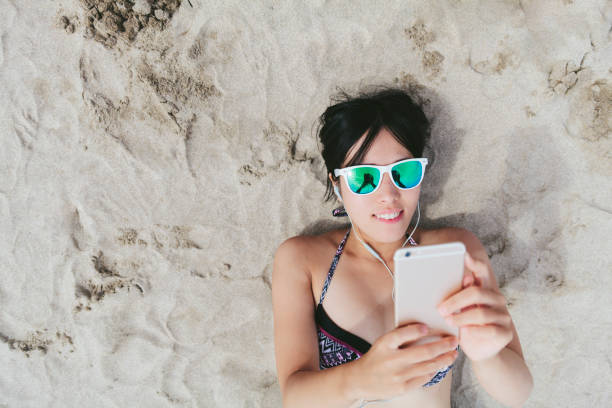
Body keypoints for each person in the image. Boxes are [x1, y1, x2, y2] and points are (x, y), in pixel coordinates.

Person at [272, 88, 533, 407]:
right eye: (364, 178)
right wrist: (359, 379)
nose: (388, 195)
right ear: (337, 183)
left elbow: (518, 392)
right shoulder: (303, 260)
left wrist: (488, 355)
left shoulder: (455, 250)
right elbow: (295, 396)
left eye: (404, 172)